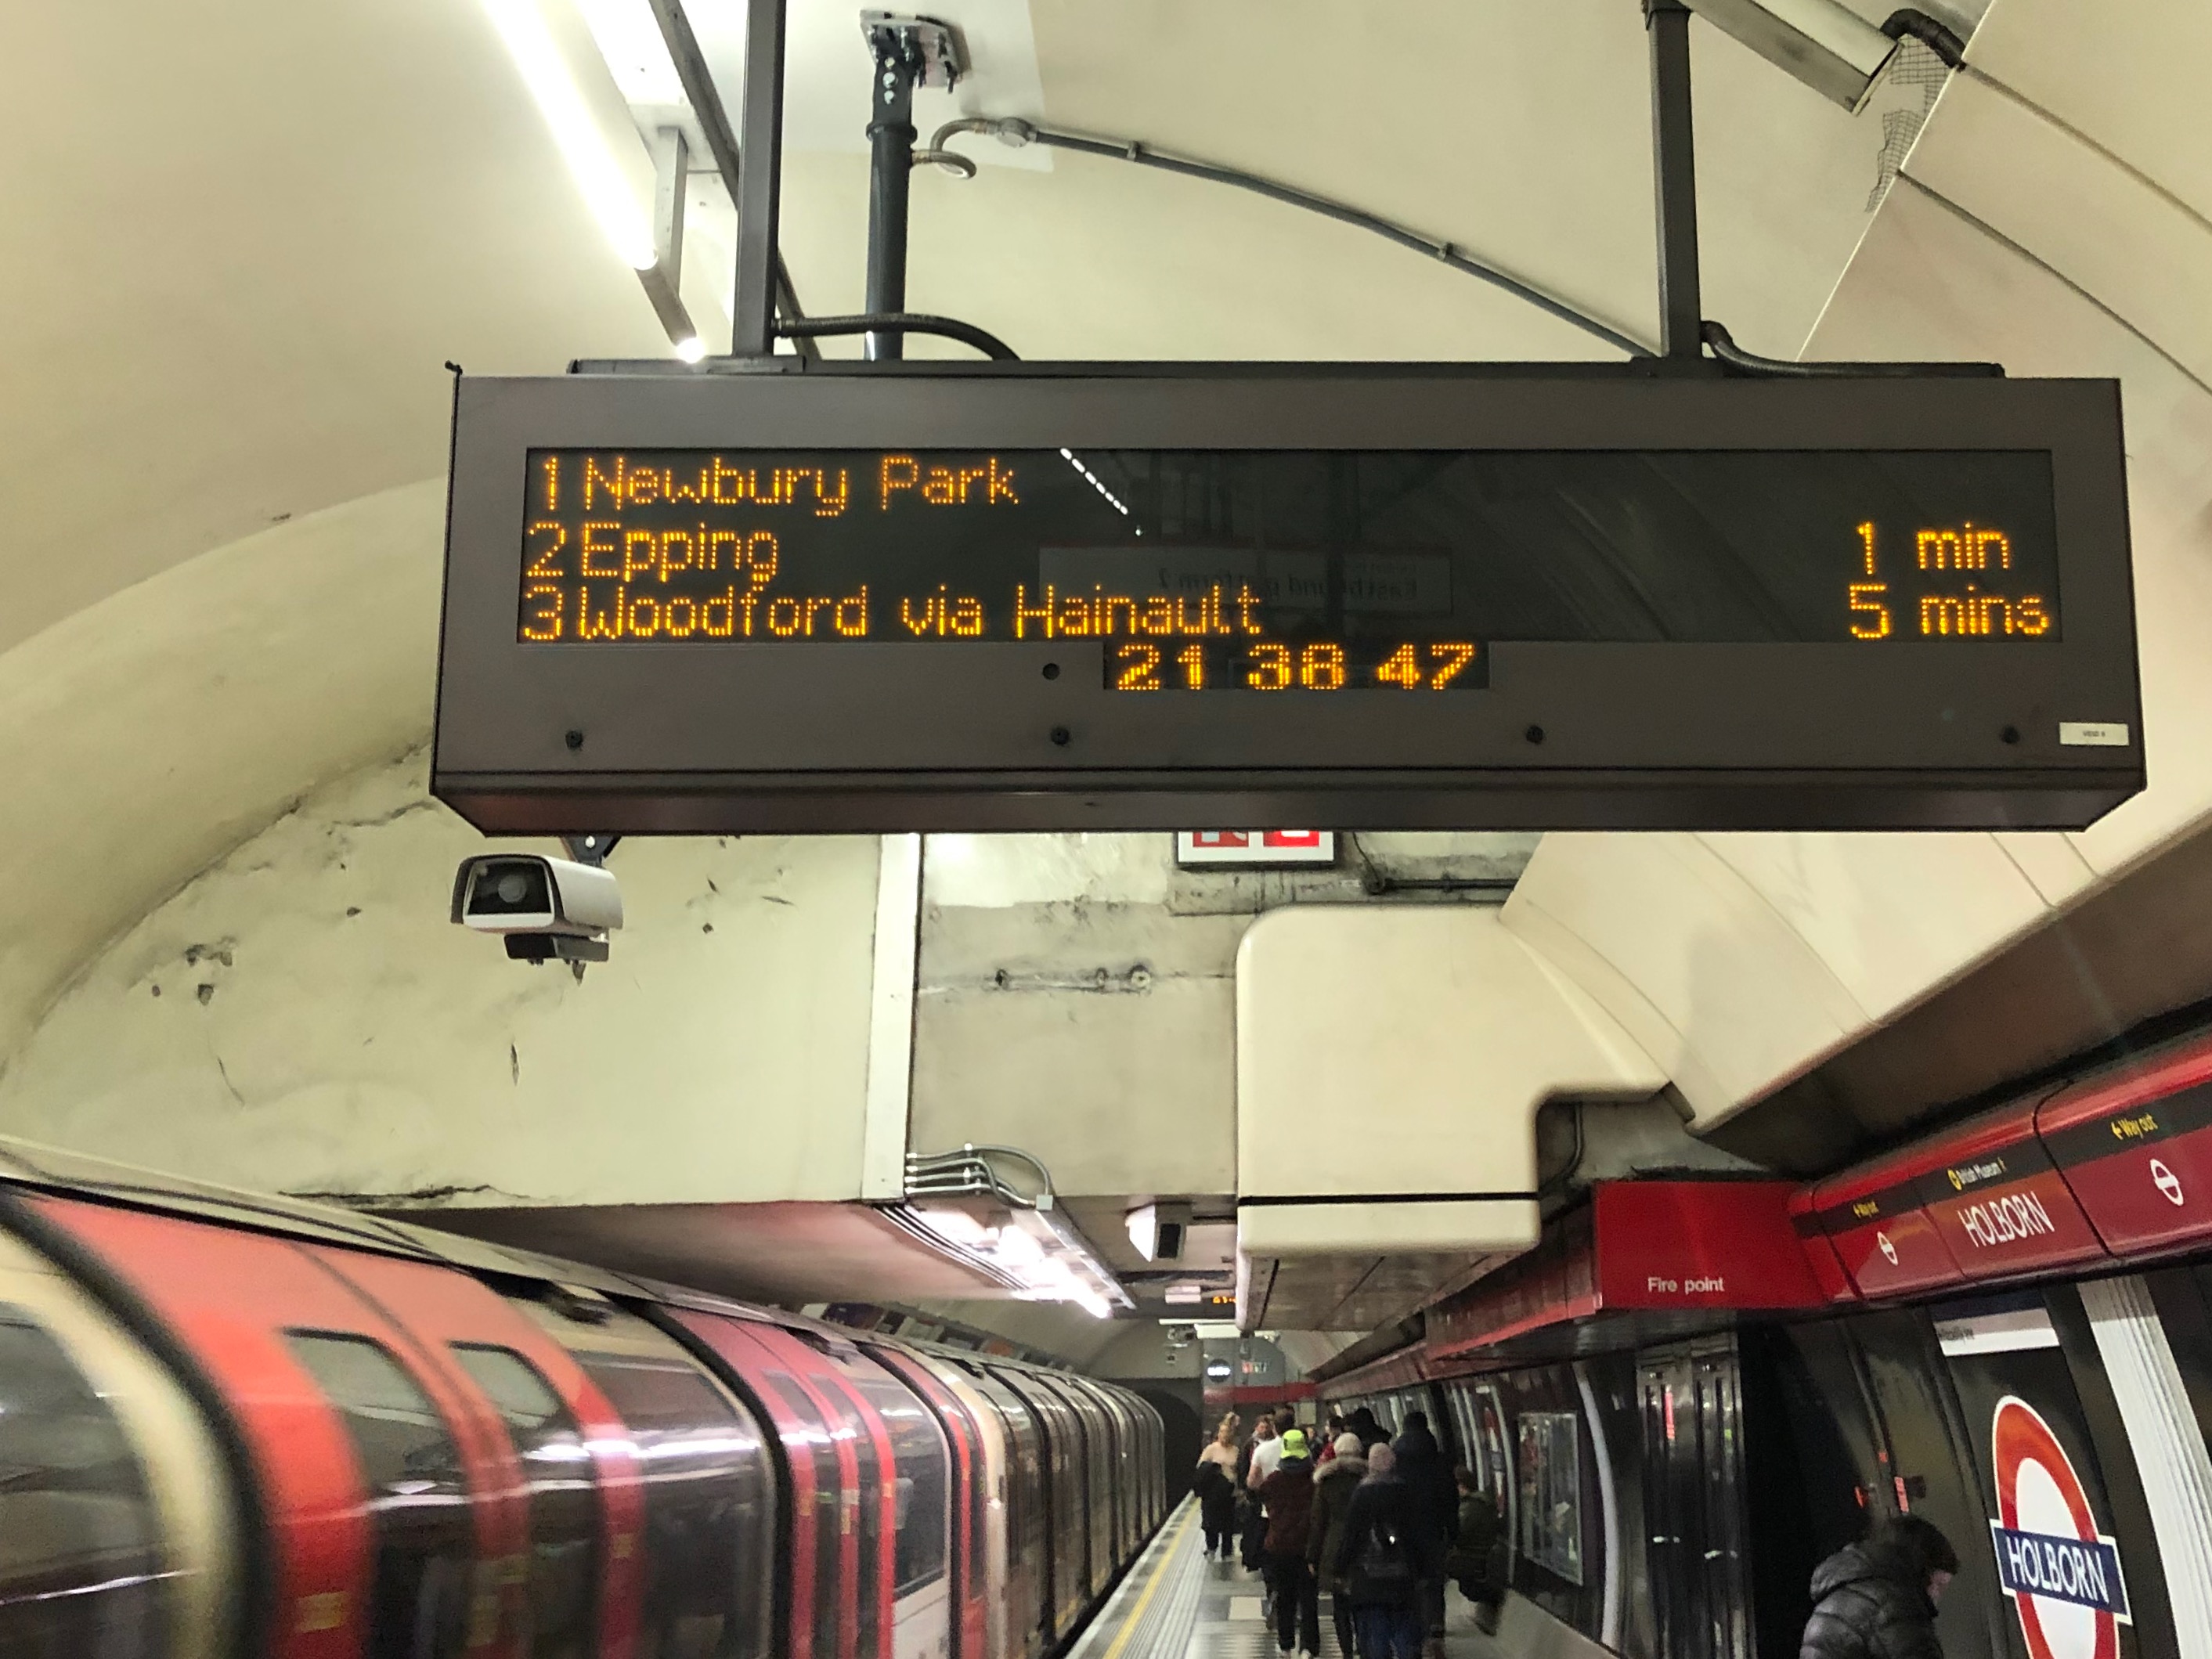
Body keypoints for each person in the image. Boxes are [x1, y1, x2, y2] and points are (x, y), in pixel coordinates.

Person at [1800, 1514, 1960, 1659]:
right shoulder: (1894, 1605)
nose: (1937, 1597)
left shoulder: (1838, 1595)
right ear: (1921, 1569)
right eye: (1939, 1585)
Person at [1333, 1443, 1425, 1659]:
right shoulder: (1406, 1492)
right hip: (1403, 1575)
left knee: (1375, 1632)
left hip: (1368, 1576)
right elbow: (1416, 1534)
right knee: (1404, 1628)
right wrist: (1421, 1568)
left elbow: (1351, 1537)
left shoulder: (1362, 1494)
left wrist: (1340, 1569)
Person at [1391, 1411, 1456, 1654]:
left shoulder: (1395, 1459)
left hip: (1403, 1530)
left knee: (1409, 1577)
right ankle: (1435, 1624)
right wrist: (1453, 1531)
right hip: (1432, 1528)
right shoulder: (1439, 1461)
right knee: (1433, 1578)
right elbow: (1450, 1499)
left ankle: (1413, 1626)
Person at [1261, 1429, 1321, 1656]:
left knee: (1285, 1597)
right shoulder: (1314, 1479)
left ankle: (1285, 1644)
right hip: (1308, 1548)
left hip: (1280, 1546)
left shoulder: (1274, 1481)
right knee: (1309, 1599)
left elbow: (1259, 1494)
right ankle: (1309, 1647)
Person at [1308, 1432, 1368, 1659]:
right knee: (1361, 1603)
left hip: (1334, 1548)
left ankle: (1345, 1650)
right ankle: (1364, 1645)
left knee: (1340, 1604)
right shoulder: (1368, 1479)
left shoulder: (1326, 1482)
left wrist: (1312, 1556)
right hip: (1363, 1548)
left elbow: (1317, 1523)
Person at [1442, 1466, 1503, 1634]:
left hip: (1471, 1558)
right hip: (1478, 1555)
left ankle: (1434, 1623)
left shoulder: (1471, 1507)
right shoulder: (1481, 1503)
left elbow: (1457, 1533)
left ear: (1461, 1487)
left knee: (1435, 1569)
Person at [1196, 1415, 1243, 1561]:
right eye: (1222, 1432)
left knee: (1228, 1522)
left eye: (1227, 1432)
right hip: (1212, 1493)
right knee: (1211, 1522)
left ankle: (1227, 1550)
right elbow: (1201, 1468)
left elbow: (1239, 1470)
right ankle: (1211, 1547)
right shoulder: (1211, 1450)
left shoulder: (1235, 1450)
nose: (1224, 1435)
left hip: (1229, 1493)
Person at [1241, 1419, 1278, 1574]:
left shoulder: (1265, 1448)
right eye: (1261, 1426)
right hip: (1257, 1496)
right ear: (1256, 1427)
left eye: (1266, 1426)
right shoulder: (1251, 1445)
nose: (1264, 1429)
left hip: (1265, 1495)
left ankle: (1260, 1559)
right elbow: (1243, 1467)